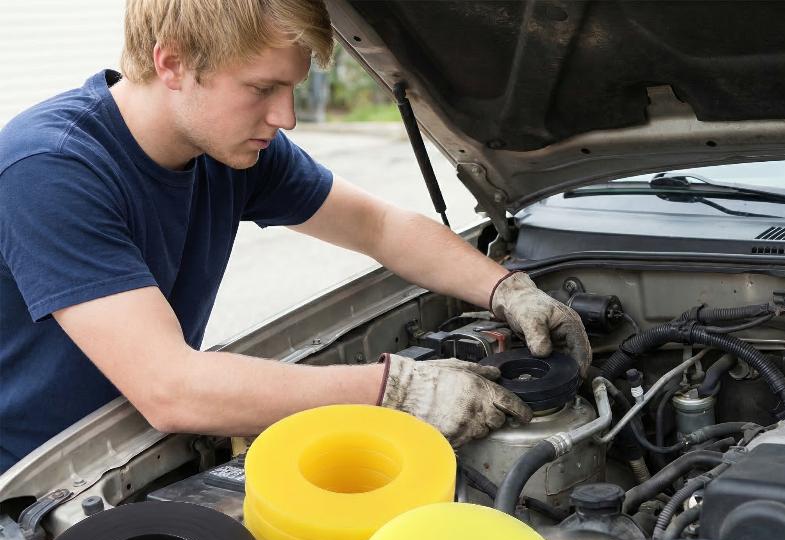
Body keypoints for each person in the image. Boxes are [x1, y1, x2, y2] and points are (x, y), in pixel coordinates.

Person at [0, 0, 590, 473]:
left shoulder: (231, 150)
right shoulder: (50, 169)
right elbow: (170, 387)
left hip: (141, 454)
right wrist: (398, 390)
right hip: (30, 493)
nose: (286, 118)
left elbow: (379, 225)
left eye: (291, 90)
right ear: (172, 63)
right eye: (262, 89)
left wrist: (508, 290)